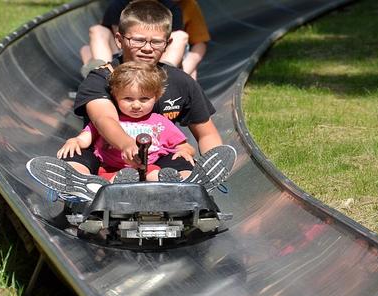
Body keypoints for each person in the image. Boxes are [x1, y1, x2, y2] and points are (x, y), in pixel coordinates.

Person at [27, 0, 235, 202]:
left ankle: (186, 185)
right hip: (105, 155)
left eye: (156, 42)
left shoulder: (181, 81)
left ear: (167, 44)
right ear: (119, 40)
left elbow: (206, 133)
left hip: (157, 158)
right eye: (137, 40)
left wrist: (209, 162)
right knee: (76, 154)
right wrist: (127, 145)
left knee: (181, 161)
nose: (147, 48)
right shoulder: (101, 78)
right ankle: (85, 186)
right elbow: (104, 119)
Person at [58, 61, 195, 183]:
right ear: (115, 96)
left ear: (156, 97)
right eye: (128, 99)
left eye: (144, 99)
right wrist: (74, 141)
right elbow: (84, 139)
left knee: (164, 168)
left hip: (149, 168)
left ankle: (182, 181)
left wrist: (185, 151)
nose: (136, 105)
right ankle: (81, 181)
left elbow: (184, 146)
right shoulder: (112, 121)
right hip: (111, 169)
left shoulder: (160, 122)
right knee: (80, 157)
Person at [81, 0, 210, 80]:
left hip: (158, 56)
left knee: (181, 38)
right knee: (90, 41)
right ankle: (103, 73)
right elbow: (116, 34)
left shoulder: (172, 8)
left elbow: (191, 42)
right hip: (126, 52)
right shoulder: (118, 5)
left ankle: (163, 75)